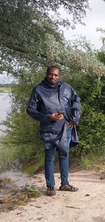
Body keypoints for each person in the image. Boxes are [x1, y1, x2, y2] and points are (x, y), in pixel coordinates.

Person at [27, 66, 81, 196]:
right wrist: (48, 117)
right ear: (46, 74)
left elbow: (76, 100)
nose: (53, 77)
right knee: (49, 157)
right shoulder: (38, 90)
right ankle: (50, 186)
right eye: (51, 74)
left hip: (66, 127)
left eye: (56, 75)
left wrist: (74, 118)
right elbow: (31, 110)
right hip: (49, 128)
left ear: (59, 76)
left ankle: (65, 184)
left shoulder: (67, 88)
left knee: (64, 155)